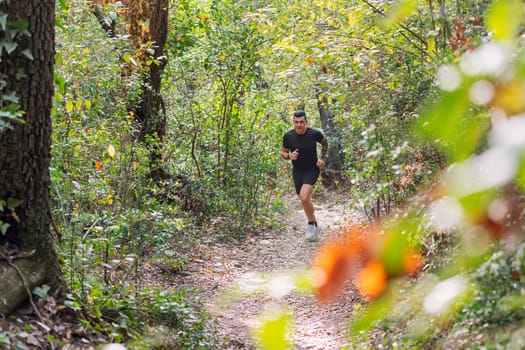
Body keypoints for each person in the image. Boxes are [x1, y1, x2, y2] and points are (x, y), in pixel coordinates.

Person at [281, 110, 328, 241]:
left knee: (304, 196)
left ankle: (311, 225)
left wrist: (322, 158)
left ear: (306, 121)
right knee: (304, 199)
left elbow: (325, 143)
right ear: (293, 122)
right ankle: (314, 223)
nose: (299, 125)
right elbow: (283, 153)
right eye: (296, 122)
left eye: (301, 122)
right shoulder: (288, 136)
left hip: (312, 169)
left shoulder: (314, 133)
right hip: (298, 170)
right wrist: (289, 156)